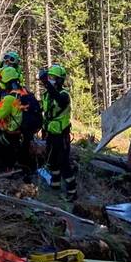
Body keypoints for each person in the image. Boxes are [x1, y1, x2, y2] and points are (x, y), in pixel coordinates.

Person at [0, 65, 41, 175]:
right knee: (22, 154)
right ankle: (26, 172)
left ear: (5, 83)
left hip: (13, 133)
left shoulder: (9, 99)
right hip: (25, 133)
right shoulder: (26, 93)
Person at [39, 64, 77, 201]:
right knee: (52, 161)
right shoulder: (46, 95)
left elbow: (60, 102)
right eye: (49, 77)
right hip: (50, 133)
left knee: (63, 163)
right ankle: (55, 186)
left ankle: (72, 191)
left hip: (62, 135)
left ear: (60, 80)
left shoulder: (63, 95)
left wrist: (46, 83)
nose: (50, 80)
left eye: (53, 78)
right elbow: (45, 112)